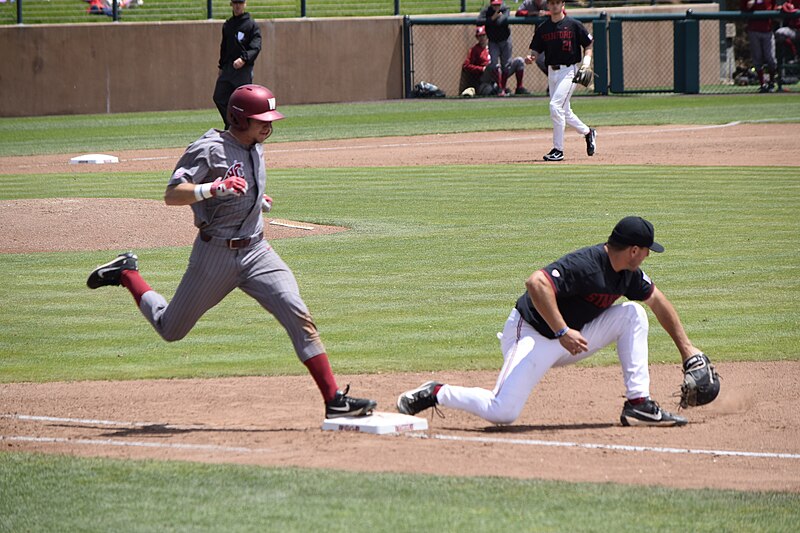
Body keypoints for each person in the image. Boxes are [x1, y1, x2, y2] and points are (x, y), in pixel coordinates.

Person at [87, 84, 377, 421]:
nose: (269, 126)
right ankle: (127, 273)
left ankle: (334, 401)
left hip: (257, 252)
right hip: (215, 256)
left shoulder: (255, 146)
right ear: (239, 119)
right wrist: (213, 188)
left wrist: (255, 203)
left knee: (297, 313)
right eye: (261, 120)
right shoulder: (207, 149)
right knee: (171, 329)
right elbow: (172, 194)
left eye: (270, 119)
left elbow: (243, 188)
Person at [398, 216, 703, 428]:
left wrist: (687, 349)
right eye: (648, 250)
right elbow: (535, 283)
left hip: (574, 339)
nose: (649, 255)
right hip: (533, 334)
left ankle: (638, 403)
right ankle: (436, 392)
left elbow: (658, 302)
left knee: (634, 314)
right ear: (634, 250)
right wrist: (561, 331)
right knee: (502, 412)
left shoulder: (629, 274)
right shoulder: (585, 265)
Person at [525, 0, 595, 162]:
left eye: (557, 2)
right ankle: (588, 132)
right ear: (548, 6)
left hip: (569, 71)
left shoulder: (574, 25)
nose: (555, 5)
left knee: (555, 106)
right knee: (565, 111)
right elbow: (536, 49)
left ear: (562, 4)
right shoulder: (544, 28)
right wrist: (531, 57)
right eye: (552, 3)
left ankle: (558, 150)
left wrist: (585, 63)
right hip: (552, 72)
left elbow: (588, 44)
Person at [213, 0, 262, 129]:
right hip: (228, 68)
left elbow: (255, 47)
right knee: (219, 96)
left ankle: (246, 128)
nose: (237, 6)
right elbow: (224, 48)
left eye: (240, 3)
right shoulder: (228, 25)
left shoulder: (251, 25)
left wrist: (243, 59)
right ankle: (231, 125)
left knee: (243, 101)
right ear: (231, 4)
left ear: (245, 4)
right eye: (235, 3)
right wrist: (221, 66)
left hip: (243, 70)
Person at [477, 0, 530, 96]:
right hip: (493, 41)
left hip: (505, 40)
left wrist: (490, 21)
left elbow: (501, 21)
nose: (496, 7)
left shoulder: (505, 8)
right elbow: (479, 21)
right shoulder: (487, 10)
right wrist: (492, 18)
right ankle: (500, 89)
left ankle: (514, 88)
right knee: (494, 64)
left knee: (508, 64)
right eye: (494, 5)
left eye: (498, 4)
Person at [741, 0, 779, 92]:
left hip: (767, 30)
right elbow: (743, 9)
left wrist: (778, 9)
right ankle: (762, 84)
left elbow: (774, 8)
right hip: (754, 30)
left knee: (771, 59)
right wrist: (749, 5)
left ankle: (771, 82)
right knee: (757, 59)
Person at [461, 26, 502, 96]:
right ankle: (501, 88)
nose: (482, 38)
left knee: (518, 61)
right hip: (484, 77)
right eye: (479, 36)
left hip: (498, 72)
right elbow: (466, 65)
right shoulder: (474, 50)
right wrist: (482, 69)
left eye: (483, 35)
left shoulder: (493, 47)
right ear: (477, 38)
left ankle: (518, 87)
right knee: (491, 66)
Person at [515, 0, 548, 79]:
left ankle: (555, 80)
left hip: (554, 34)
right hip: (540, 36)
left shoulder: (549, 2)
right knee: (539, 60)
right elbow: (518, 13)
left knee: (555, 61)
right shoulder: (528, 3)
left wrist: (547, 13)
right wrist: (531, 13)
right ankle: (553, 79)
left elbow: (563, 12)